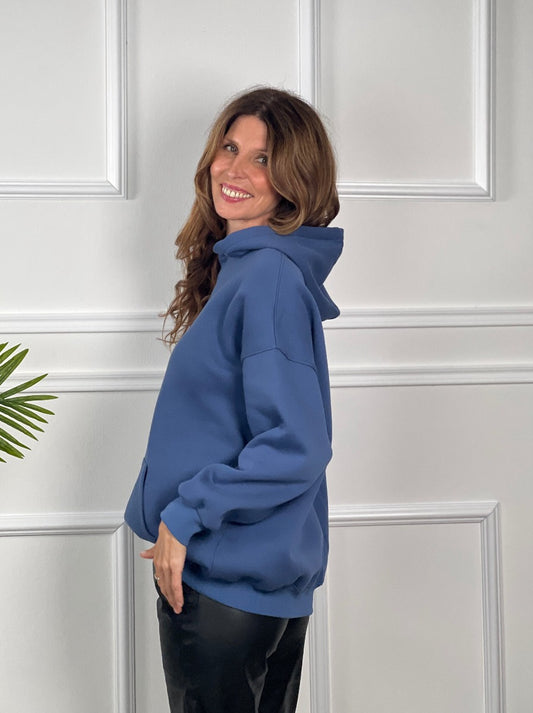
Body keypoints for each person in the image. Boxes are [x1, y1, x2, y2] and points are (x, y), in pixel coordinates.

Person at [125, 86, 343, 713]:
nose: (235, 169)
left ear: (295, 180)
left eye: (263, 159)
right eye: (229, 148)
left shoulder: (267, 276)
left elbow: (297, 444)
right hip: (249, 584)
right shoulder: (250, 271)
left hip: (226, 586)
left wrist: (185, 514)